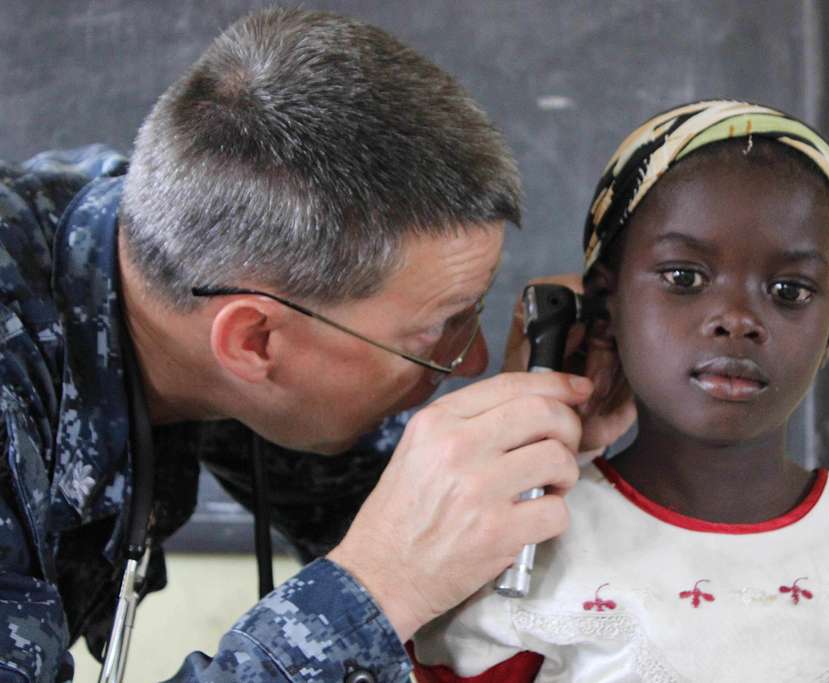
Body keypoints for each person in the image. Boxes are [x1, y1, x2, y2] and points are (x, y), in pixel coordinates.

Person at [0, 8, 632, 683]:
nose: (471, 360)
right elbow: (393, 559)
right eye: (438, 329)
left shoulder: (197, 245)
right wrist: (376, 589)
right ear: (254, 341)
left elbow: (381, 514)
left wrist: (527, 452)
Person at [411, 100, 829, 681]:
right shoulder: (522, 555)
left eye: (790, 290)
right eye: (684, 277)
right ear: (607, 307)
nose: (737, 319)